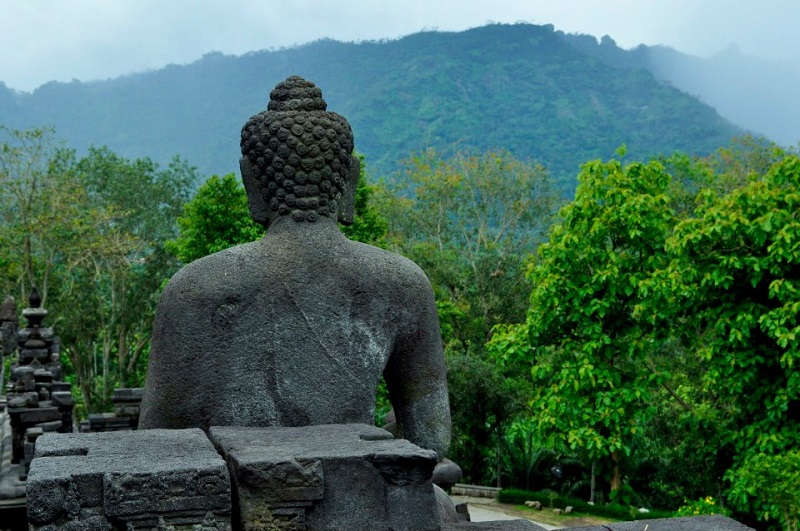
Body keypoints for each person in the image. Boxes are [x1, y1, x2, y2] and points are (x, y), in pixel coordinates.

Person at [139, 76, 451, 459]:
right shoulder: (403, 284)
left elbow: (156, 448)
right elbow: (431, 440)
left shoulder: (193, 288)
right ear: (349, 178)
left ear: (251, 181)